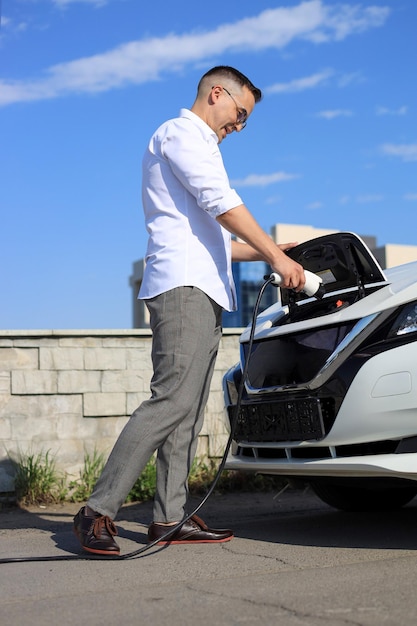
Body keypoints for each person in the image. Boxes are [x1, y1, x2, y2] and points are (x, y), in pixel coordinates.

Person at [73, 65, 305, 556]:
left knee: (189, 411)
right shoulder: (180, 133)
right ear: (216, 93)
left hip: (204, 287)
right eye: (239, 114)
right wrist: (275, 255)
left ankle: (168, 518)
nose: (239, 127)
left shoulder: (203, 147)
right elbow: (221, 203)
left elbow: (218, 238)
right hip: (181, 286)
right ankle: (97, 510)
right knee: (172, 400)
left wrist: (273, 249)